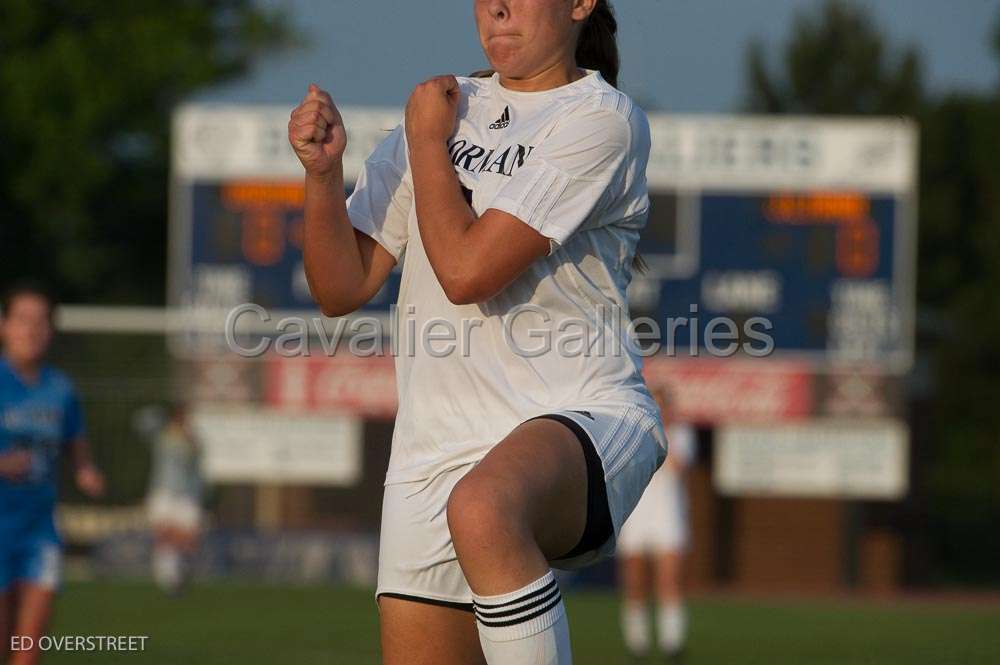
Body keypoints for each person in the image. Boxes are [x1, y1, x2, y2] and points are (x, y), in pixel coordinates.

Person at [289, 1, 665, 663]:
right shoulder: (443, 107)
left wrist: (428, 143)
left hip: (582, 416)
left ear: (581, 5)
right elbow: (339, 287)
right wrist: (323, 176)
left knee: (485, 507)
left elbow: (467, 272)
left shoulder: (600, 120)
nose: (496, 7)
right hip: (432, 456)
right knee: (473, 505)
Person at [0, 282, 105, 665]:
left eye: (41, 321)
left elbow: (75, 441)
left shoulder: (60, 388)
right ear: (4, 325)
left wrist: (85, 471)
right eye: (22, 319)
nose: (31, 329)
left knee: (27, 653)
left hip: (39, 529)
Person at [617, 387, 696, 661]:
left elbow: (677, 466)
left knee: (669, 580)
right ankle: (637, 643)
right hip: (636, 513)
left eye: (665, 405)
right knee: (635, 580)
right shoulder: (633, 432)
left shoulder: (682, 434)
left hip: (668, 515)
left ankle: (672, 643)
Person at [141, 402, 203, 595]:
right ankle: (168, 577)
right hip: (163, 490)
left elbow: (196, 466)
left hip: (185, 493)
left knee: (186, 537)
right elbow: (142, 422)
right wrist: (160, 414)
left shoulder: (192, 440)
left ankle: (176, 573)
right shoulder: (163, 435)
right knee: (164, 534)